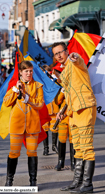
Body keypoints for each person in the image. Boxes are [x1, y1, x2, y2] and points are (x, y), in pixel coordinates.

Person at [52, 42, 97, 194]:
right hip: (73, 112)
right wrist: (62, 111)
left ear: (67, 51)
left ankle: (88, 185)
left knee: (86, 149)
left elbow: (77, 60)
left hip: (84, 108)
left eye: (61, 52)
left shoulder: (76, 63)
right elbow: (69, 94)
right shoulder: (64, 72)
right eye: (55, 53)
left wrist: (74, 57)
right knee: (77, 149)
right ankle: (77, 182)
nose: (58, 55)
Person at [3, 60, 44, 186]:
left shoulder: (38, 86)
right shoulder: (14, 86)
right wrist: (15, 91)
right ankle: (9, 181)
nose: (29, 73)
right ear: (20, 72)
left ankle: (33, 181)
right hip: (17, 125)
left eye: (31, 71)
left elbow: (40, 104)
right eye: (26, 71)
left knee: (32, 152)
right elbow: (6, 102)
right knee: (14, 152)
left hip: (32, 125)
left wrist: (29, 100)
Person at [53, 63, 75, 171]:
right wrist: (62, 92)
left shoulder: (74, 85)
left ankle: (73, 162)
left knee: (72, 140)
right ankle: (60, 162)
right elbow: (57, 101)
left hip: (72, 117)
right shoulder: (60, 87)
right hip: (62, 118)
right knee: (61, 139)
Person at [40, 65, 59, 156]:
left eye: (48, 73)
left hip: (54, 108)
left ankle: (54, 146)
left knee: (55, 128)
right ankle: (46, 148)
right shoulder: (40, 84)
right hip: (45, 109)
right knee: (45, 129)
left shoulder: (54, 82)